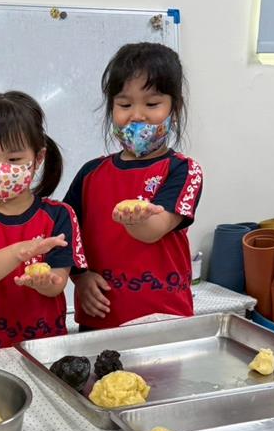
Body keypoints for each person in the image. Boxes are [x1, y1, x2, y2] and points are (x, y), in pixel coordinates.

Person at [64, 42, 203, 330]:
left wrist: (135, 219)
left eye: (152, 104)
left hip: (164, 321)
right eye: (125, 105)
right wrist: (80, 277)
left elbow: (153, 230)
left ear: (174, 109)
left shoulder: (183, 170)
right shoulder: (91, 173)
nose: (137, 115)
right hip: (100, 321)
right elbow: (66, 235)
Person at [0, 92, 86, 357]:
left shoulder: (60, 215)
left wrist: (44, 281)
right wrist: (21, 251)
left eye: (14, 159)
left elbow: (57, 283)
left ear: (38, 158)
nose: (0, 169)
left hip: (46, 350)